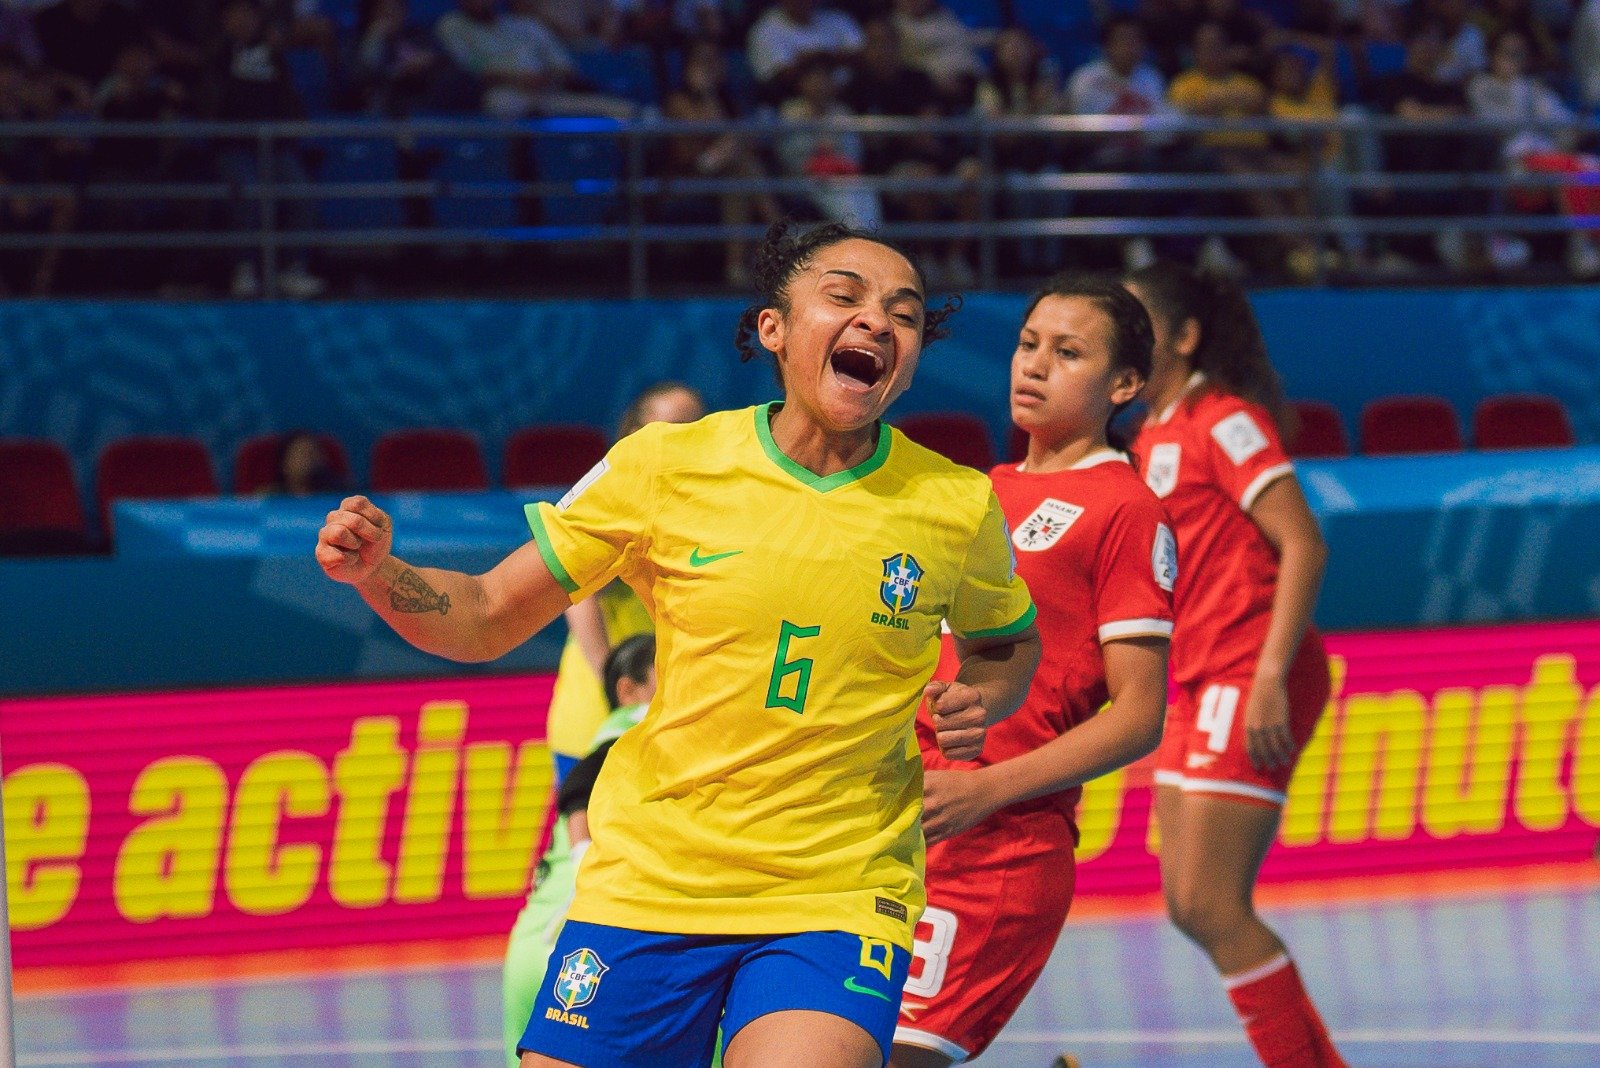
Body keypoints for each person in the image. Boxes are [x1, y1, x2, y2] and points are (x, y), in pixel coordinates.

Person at [316, 220, 1042, 1068]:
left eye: (905, 314)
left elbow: (1008, 644)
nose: (877, 322)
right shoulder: (662, 465)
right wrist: (380, 574)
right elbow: (484, 613)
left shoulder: (955, 503)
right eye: (844, 297)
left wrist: (982, 695)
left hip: (838, 890)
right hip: (653, 880)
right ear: (774, 329)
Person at [888, 275, 1173, 1068]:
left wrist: (985, 791)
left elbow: (1139, 716)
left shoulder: (1126, 508)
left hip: (998, 846)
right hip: (897, 828)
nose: (1035, 365)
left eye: (1068, 352)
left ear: (1124, 384)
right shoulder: (978, 491)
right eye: (1028, 344)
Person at [1123, 262, 1345, 1068]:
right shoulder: (1150, 434)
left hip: (1248, 669)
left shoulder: (1224, 421)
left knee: (1213, 903)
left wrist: (1269, 678)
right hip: (1193, 680)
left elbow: (1304, 543)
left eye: (1140, 326)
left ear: (1184, 338)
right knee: (1189, 905)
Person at [503, 634, 658, 1068]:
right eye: (668, 669)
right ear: (629, 690)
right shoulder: (641, 723)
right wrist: (583, 857)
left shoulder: (612, 738)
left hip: (530, 946)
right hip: (579, 948)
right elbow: (579, 791)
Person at [544, 381, 705, 779]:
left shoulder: (705, 509)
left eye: (697, 427)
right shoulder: (619, 501)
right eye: (673, 428)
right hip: (601, 725)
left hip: (669, 727)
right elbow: (580, 599)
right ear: (634, 435)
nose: (687, 440)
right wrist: (617, 691)